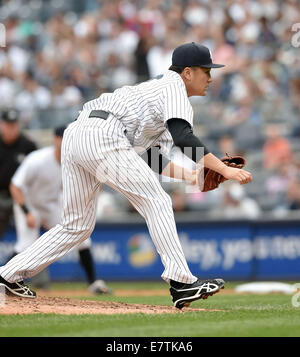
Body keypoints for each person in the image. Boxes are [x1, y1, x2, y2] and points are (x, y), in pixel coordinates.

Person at [0, 42, 252, 309]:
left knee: (76, 226)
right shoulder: (174, 86)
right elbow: (184, 137)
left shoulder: (158, 95)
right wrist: (223, 169)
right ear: (187, 72)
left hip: (78, 135)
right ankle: (181, 283)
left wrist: (191, 177)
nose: (211, 78)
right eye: (206, 71)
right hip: (103, 135)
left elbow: (151, 157)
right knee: (158, 201)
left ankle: (7, 274)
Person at [8, 126, 112, 295]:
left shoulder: (72, 160)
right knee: (25, 244)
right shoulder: (38, 159)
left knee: (81, 236)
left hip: (50, 205)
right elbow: (15, 186)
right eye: (63, 138)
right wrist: (26, 211)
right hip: (28, 204)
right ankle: (4, 280)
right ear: (55, 139)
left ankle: (94, 283)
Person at [0, 109, 37, 240]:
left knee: (27, 240)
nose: (11, 128)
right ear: (1, 125)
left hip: (22, 196)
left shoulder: (28, 145)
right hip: (1, 195)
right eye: (8, 125)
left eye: (14, 125)